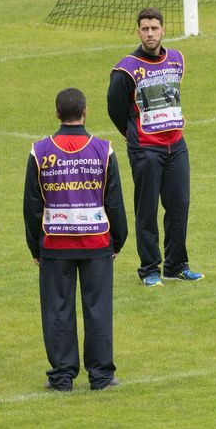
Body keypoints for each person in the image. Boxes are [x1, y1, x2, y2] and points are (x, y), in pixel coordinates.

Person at [24, 88, 128, 392]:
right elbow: (115, 202)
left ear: (57, 113)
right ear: (85, 112)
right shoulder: (103, 150)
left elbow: (32, 206)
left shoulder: (40, 151)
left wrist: (35, 246)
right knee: (98, 310)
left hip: (55, 244)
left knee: (57, 311)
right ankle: (101, 376)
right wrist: (118, 240)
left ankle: (61, 377)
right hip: (97, 242)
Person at [108, 7, 203, 287]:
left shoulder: (176, 59)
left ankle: (176, 266)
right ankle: (149, 269)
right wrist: (132, 134)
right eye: (145, 29)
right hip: (146, 149)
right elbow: (115, 107)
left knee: (179, 206)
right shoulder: (126, 68)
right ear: (138, 32)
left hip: (177, 146)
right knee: (147, 210)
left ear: (163, 30)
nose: (150, 33)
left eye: (154, 28)